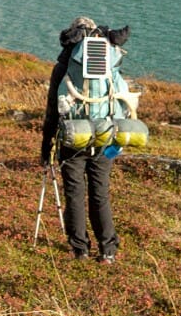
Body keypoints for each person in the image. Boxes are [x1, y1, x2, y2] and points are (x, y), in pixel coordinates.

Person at [39, 16, 140, 263]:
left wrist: (47, 144)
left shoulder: (65, 64)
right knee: (100, 193)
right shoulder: (110, 61)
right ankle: (108, 250)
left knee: (74, 192)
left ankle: (80, 250)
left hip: (74, 136)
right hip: (107, 137)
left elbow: (53, 108)